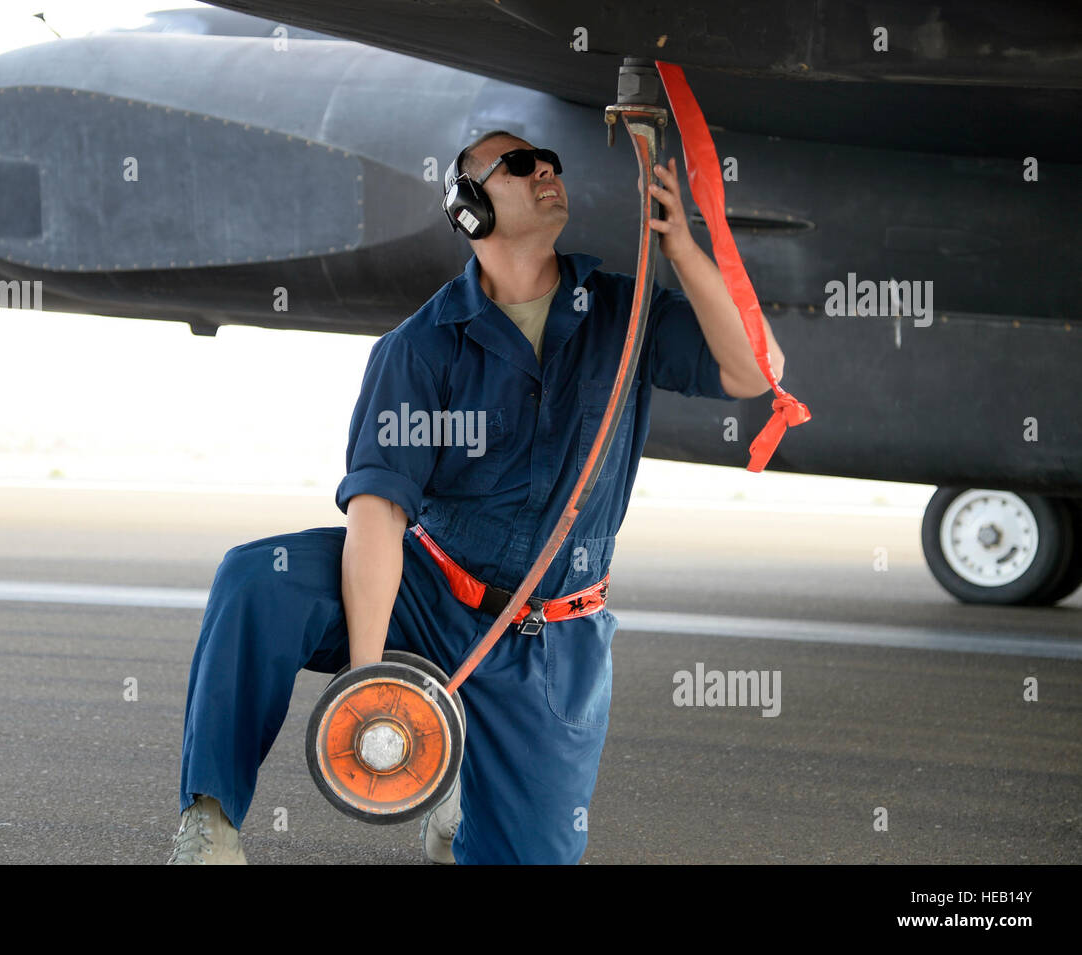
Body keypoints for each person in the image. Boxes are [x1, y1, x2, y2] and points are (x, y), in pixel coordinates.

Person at [169, 129, 785, 865]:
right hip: (425, 598)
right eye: (520, 165)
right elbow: (377, 513)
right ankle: (209, 823)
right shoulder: (421, 347)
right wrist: (373, 683)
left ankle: (465, 780)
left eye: (551, 163)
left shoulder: (620, 314)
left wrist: (683, 248)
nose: (546, 171)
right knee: (256, 576)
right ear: (469, 208)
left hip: (550, 640)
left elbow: (755, 374)